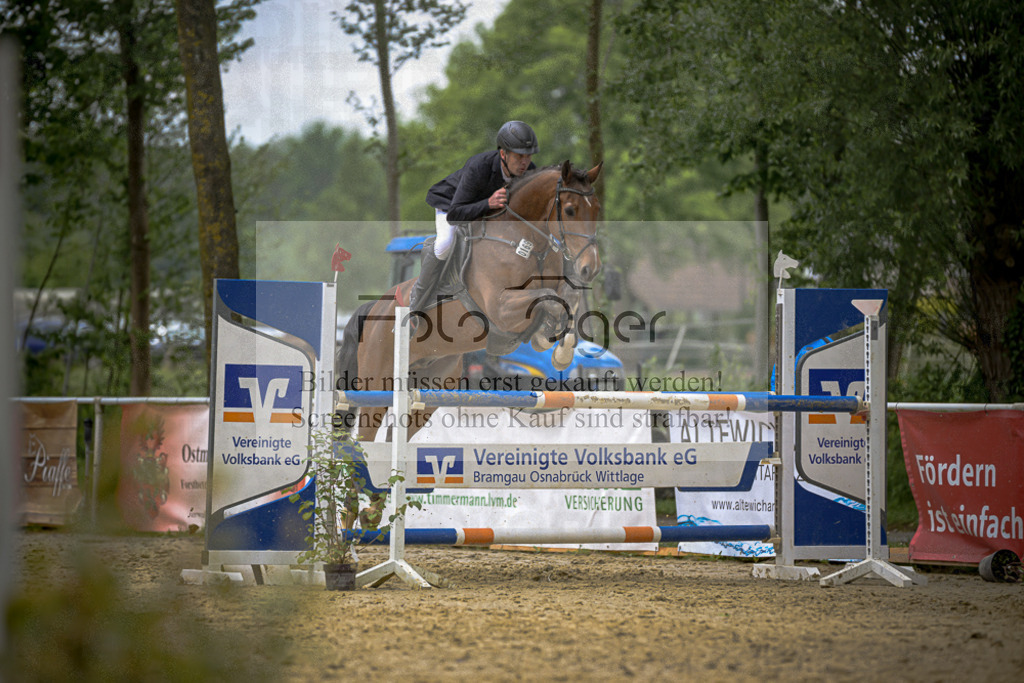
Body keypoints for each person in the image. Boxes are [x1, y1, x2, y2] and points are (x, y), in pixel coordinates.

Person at [409, 121, 539, 325]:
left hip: (487, 212)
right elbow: (455, 215)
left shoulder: (529, 172)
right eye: (519, 156)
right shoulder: (479, 166)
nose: (525, 162)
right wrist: (488, 203)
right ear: (503, 154)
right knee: (444, 244)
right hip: (451, 205)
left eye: (528, 156)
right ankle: (417, 301)